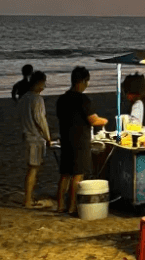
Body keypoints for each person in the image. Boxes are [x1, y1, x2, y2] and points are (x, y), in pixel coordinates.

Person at [56, 66, 108, 215]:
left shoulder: (62, 99)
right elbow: (92, 120)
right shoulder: (82, 99)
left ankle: (60, 205)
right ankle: (72, 206)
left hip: (65, 138)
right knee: (77, 174)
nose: (87, 85)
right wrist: (103, 120)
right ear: (82, 81)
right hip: (80, 140)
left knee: (65, 174)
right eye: (87, 82)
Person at [18, 70, 51, 208]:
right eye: (43, 83)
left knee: (31, 168)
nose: (44, 86)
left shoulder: (24, 98)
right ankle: (28, 200)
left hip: (26, 135)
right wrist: (48, 137)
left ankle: (29, 197)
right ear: (38, 83)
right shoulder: (37, 99)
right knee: (34, 169)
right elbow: (40, 120)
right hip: (35, 138)